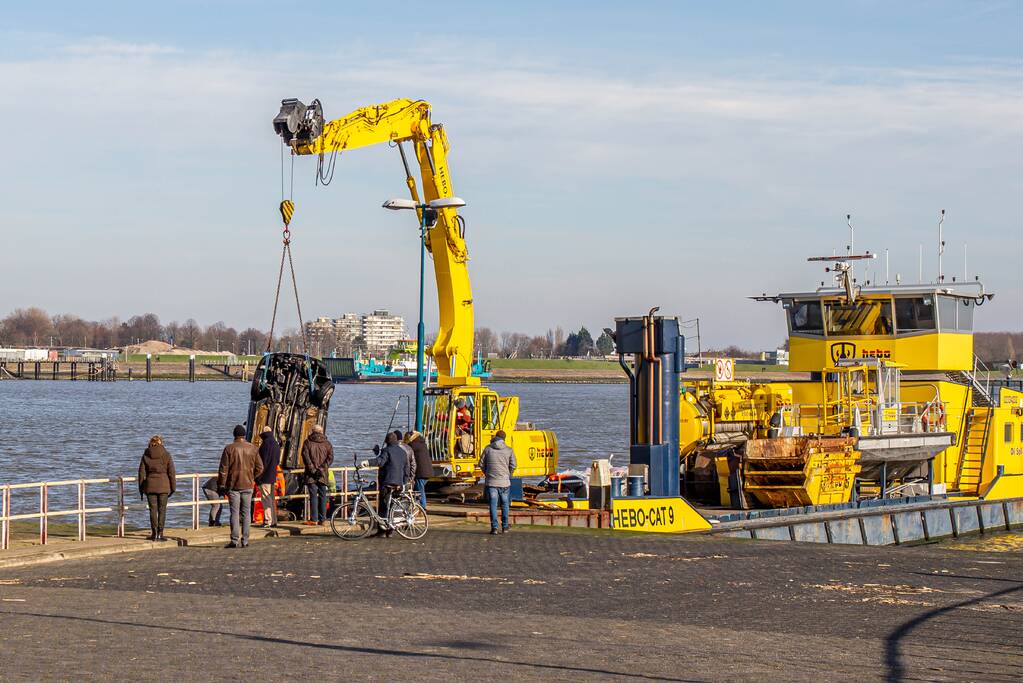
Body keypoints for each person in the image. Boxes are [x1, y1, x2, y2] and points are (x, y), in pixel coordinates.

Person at [217, 425, 263, 548]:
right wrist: (252, 477)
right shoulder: (253, 448)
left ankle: (234, 540)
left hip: (233, 486)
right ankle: (246, 540)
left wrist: (222, 485)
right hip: (248, 485)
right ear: (244, 435)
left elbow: (223, 470)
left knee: (234, 513)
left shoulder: (229, 449)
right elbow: (260, 468)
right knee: (246, 513)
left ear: (234, 435)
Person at [367, 432, 410, 538]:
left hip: (387, 482)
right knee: (392, 507)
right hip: (399, 483)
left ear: (387, 441)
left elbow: (380, 462)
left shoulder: (387, 450)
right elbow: (406, 469)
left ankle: (381, 530)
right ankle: (390, 530)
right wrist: (404, 482)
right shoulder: (402, 452)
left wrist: (368, 462)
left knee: (383, 506)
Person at [138, 435, 176, 541]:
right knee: (162, 510)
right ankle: (160, 533)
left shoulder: (146, 454)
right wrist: (173, 487)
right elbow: (171, 473)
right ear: (161, 443)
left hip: (150, 486)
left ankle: (154, 534)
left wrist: (141, 488)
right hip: (164, 486)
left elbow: (141, 473)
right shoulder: (166, 454)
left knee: (153, 510)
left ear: (150, 443)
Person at [479, 430, 516, 535]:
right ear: (504, 439)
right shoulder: (509, 450)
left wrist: (486, 473)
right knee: (505, 504)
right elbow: (513, 465)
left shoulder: (488, 449)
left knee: (493, 505)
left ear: (495, 437)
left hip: (491, 482)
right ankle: (505, 527)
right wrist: (509, 474)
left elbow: (481, 464)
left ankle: (494, 528)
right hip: (505, 482)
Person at [301, 424, 334, 526]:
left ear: (312, 431)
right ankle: (323, 519)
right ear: (321, 431)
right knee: (323, 496)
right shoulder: (327, 443)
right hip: (323, 474)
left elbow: (305, 457)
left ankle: (314, 519)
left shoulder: (308, 442)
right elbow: (330, 458)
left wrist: (313, 469)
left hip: (311, 474)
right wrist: (322, 468)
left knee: (313, 496)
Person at [256, 426, 281, 528]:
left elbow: (263, 462)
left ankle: (268, 521)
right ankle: (273, 520)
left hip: (265, 476)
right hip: (272, 475)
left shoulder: (265, 444)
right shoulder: (276, 444)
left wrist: (258, 476)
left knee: (265, 499)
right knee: (271, 499)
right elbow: (277, 461)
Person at [405, 430, 432, 510]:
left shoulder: (413, 445)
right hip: (427, 471)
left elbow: (406, 452)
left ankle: (422, 506)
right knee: (418, 488)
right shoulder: (421, 443)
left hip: (421, 472)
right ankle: (418, 504)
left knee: (420, 489)